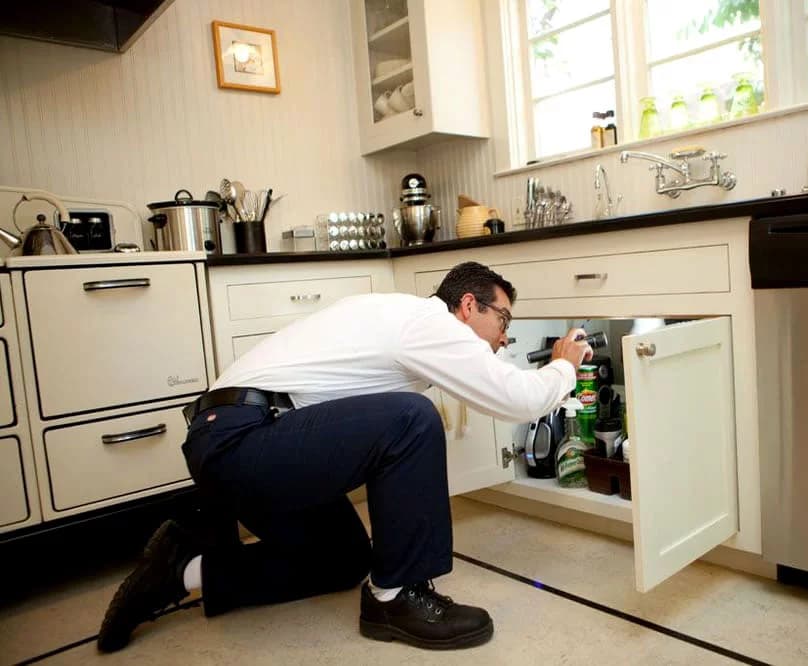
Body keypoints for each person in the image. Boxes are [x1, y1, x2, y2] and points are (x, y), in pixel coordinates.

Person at [98, 261, 593, 652]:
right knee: (411, 417)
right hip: (241, 441)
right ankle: (397, 597)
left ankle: (180, 570)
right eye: (503, 319)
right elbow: (518, 399)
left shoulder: (398, 318)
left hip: (242, 442)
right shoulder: (428, 322)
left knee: (343, 561)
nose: (504, 337)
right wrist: (564, 367)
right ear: (467, 305)